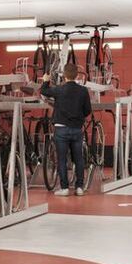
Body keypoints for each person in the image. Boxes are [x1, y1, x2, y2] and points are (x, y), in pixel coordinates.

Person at [40, 64, 92, 196]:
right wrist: (78, 116)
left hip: (61, 129)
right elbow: (88, 110)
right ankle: (79, 187)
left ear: (64, 75)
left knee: (61, 159)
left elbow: (44, 91)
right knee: (78, 158)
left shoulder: (59, 89)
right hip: (76, 129)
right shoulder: (83, 91)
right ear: (77, 75)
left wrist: (46, 80)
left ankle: (64, 188)